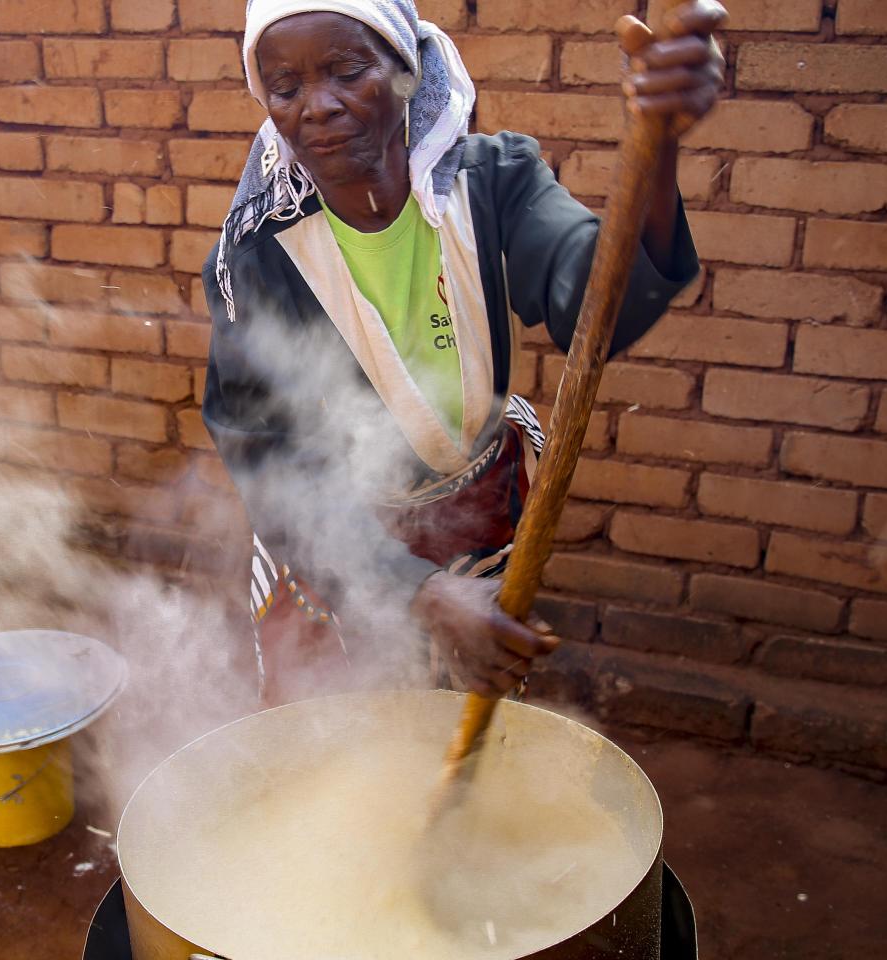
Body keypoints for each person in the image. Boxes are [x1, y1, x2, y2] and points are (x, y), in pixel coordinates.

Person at [204, 0, 727, 704]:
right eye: (285, 87)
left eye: (347, 71)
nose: (317, 107)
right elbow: (270, 459)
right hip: (336, 539)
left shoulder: (493, 184)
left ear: (406, 71)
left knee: (461, 711)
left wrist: (658, 147)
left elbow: (602, 303)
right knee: (337, 736)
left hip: (476, 510)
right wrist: (418, 592)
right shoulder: (258, 252)